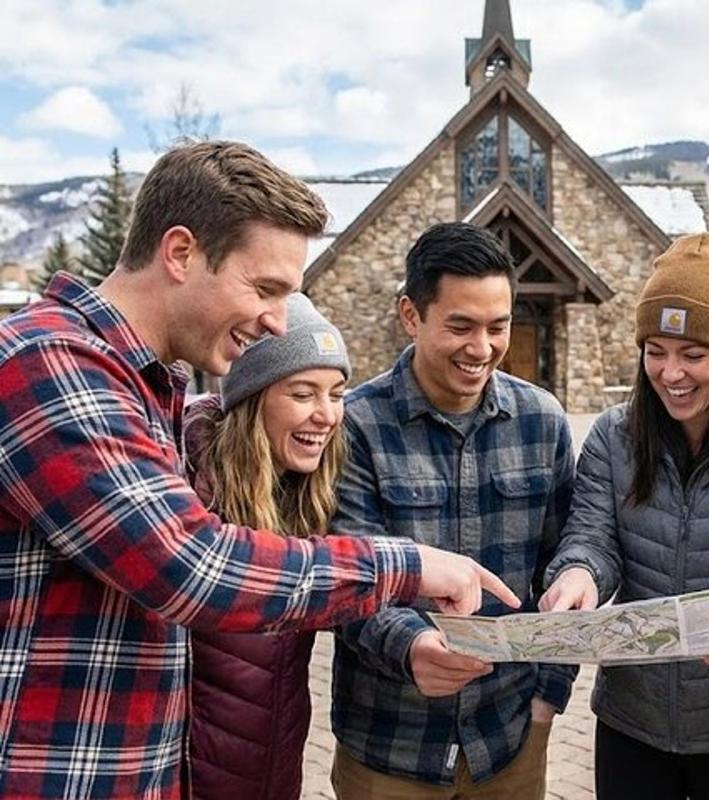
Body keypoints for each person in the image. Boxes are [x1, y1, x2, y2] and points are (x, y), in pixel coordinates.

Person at [0, 141, 516, 799]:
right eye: (265, 289)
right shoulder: (50, 363)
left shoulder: (146, 383)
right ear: (181, 253)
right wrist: (407, 565)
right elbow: (194, 567)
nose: (275, 319)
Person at [539, 232, 709, 800]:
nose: (671, 373)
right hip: (632, 722)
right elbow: (591, 534)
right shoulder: (614, 436)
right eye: (655, 351)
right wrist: (577, 575)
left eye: (693, 354)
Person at [327, 222, 576, 800]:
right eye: (461, 326)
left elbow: (564, 563)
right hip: (389, 748)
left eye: (499, 327)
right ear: (411, 315)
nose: (482, 348)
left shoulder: (543, 421)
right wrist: (411, 645)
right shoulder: (354, 425)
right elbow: (345, 576)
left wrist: (548, 697)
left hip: (510, 741)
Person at [182, 293, 353, 799]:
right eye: (303, 394)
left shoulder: (304, 494)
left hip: (272, 769)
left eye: (337, 394)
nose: (326, 415)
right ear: (253, 398)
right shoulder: (192, 492)